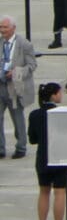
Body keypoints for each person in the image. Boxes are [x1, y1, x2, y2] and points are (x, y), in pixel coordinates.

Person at [29, 82, 67, 220]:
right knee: (59, 192)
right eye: (60, 92)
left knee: (44, 192)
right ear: (54, 95)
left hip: (42, 158)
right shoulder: (63, 114)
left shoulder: (34, 115)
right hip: (59, 157)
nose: (61, 95)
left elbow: (32, 139)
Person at [2, 16, 38, 158]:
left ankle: (21, 147)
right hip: (0, 85)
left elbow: (32, 65)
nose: (2, 30)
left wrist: (17, 72)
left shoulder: (24, 44)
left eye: (5, 27)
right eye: (1, 27)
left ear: (13, 28)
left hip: (15, 87)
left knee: (17, 118)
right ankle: (1, 148)